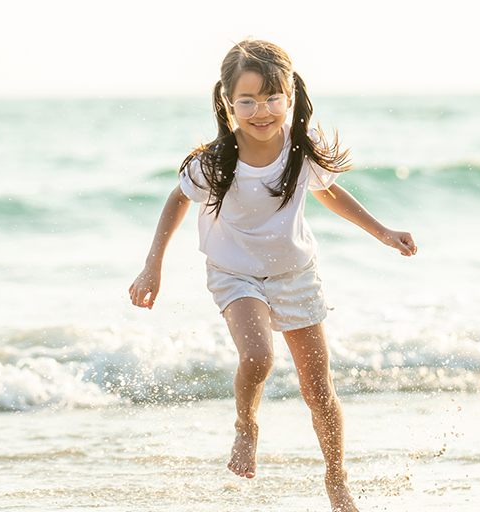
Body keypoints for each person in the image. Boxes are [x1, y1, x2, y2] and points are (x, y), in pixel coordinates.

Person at [128, 39, 417, 512]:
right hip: (234, 274)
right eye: (247, 101)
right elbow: (178, 199)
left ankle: (336, 478)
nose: (261, 112)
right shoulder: (215, 161)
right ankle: (246, 425)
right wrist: (152, 264)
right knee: (258, 356)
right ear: (227, 103)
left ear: (291, 96)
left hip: (294, 273)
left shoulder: (301, 151)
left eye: (272, 99)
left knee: (318, 388)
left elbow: (330, 193)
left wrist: (381, 231)